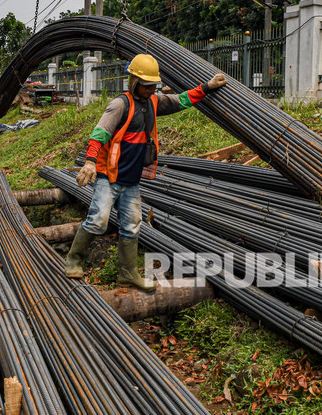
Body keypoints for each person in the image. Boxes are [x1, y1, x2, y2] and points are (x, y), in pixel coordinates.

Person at [66, 54, 227, 292]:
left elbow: (180, 100)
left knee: (132, 224)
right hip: (108, 176)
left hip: (130, 180)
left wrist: (207, 87)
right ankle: (74, 260)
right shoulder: (120, 105)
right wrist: (89, 162)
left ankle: (127, 274)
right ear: (134, 82)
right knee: (99, 219)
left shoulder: (153, 101)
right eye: (147, 84)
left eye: (154, 85)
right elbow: (99, 134)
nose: (152, 88)